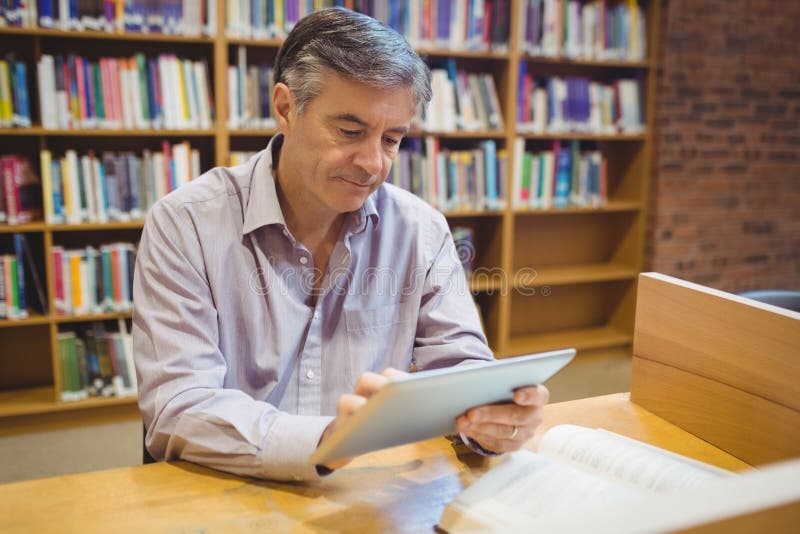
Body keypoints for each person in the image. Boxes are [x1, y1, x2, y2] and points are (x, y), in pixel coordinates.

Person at [133, 7, 549, 482]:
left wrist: (493, 416)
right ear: (287, 108)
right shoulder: (185, 224)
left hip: (366, 493)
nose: (373, 163)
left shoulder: (421, 229)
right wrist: (321, 442)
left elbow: (460, 364)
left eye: (391, 139)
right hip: (225, 491)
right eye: (350, 131)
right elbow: (178, 407)